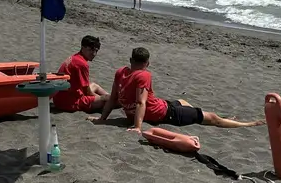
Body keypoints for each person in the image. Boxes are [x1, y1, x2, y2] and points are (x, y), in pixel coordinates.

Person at [93, 47, 262, 131]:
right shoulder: (144, 75)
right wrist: (138, 127)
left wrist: (102, 119)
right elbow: (140, 103)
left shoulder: (121, 72)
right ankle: (246, 124)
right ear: (147, 63)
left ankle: (217, 116)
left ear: (130, 59)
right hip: (165, 113)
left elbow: (113, 97)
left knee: (181, 102)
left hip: (162, 105)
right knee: (211, 118)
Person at [54, 35, 107, 113]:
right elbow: (87, 92)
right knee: (104, 100)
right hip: (69, 102)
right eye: (91, 50)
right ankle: (113, 100)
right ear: (83, 47)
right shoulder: (81, 64)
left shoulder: (75, 57)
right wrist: (100, 98)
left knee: (95, 86)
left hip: (59, 98)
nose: (94, 54)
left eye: (96, 51)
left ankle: (112, 98)